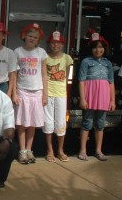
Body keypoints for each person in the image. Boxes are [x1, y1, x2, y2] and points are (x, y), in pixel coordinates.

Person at [13, 23, 48, 165]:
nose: (32, 39)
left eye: (35, 37)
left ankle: (29, 150)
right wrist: (14, 93)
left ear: (38, 39)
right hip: (22, 90)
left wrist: (45, 94)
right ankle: (22, 151)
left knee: (32, 123)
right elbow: (14, 74)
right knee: (21, 123)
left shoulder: (42, 53)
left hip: (37, 91)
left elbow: (44, 75)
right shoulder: (17, 52)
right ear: (24, 36)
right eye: (30, 36)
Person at [78, 32, 115, 162]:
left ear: (104, 48)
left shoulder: (107, 63)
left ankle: (98, 150)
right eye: (95, 47)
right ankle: (83, 151)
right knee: (87, 121)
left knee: (100, 123)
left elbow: (111, 82)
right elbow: (81, 80)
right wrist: (83, 98)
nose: (98, 50)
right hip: (90, 95)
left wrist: (112, 100)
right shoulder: (86, 61)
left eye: (100, 47)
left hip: (103, 95)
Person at [42, 31, 73, 162]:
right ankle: (50, 150)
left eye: (58, 42)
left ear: (62, 44)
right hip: (48, 93)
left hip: (61, 94)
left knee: (61, 123)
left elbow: (70, 78)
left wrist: (68, 95)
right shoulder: (45, 58)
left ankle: (60, 150)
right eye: (53, 42)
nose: (56, 45)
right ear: (49, 44)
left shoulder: (68, 58)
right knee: (48, 122)